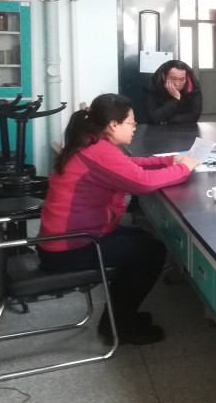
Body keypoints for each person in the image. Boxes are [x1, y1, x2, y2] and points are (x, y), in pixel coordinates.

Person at [38, 94, 198, 345]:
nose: (134, 128)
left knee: (143, 240)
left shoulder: (91, 142)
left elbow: (127, 165)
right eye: (131, 123)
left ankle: (118, 317)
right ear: (113, 124)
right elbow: (142, 182)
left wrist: (168, 161)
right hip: (70, 246)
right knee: (150, 252)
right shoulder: (98, 150)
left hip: (67, 239)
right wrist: (184, 168)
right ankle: (118, 328)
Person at [145, 59, 202, 124]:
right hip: (157, 128)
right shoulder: (152, 86)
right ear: (164, 77)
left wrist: (168, 120)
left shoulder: (193, 85)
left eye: (182, 79)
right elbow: (153, 118)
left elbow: (194, 116)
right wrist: (175, 100)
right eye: (173, 79)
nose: (177, 84)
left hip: (183, 127)